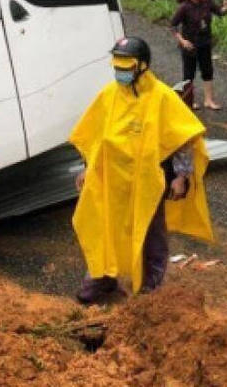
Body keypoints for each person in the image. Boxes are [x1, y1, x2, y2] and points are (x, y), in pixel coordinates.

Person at [70, 37, 214, 304]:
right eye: (117, 66)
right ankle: (102, 279)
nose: (120, 72)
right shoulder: (109, 95)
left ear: (142, 66)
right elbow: (95, 136)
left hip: (147, 182)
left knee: (150, 233)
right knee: (103, 228)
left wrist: (181, 176)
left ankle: (151, 288)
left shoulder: (161, 97)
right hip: (111, 181)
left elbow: (182, 139)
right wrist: (87, 167)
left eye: (126, 66)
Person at [169, 0, 227, 110]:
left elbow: (220, 12)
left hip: (205, 42)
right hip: (190, 45)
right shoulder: (184, 8)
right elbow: (173, 26)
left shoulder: (207, 1)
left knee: (207, 71)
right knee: (189, 74)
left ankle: (208, 100)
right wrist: (182, 40)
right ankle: (188, 101)